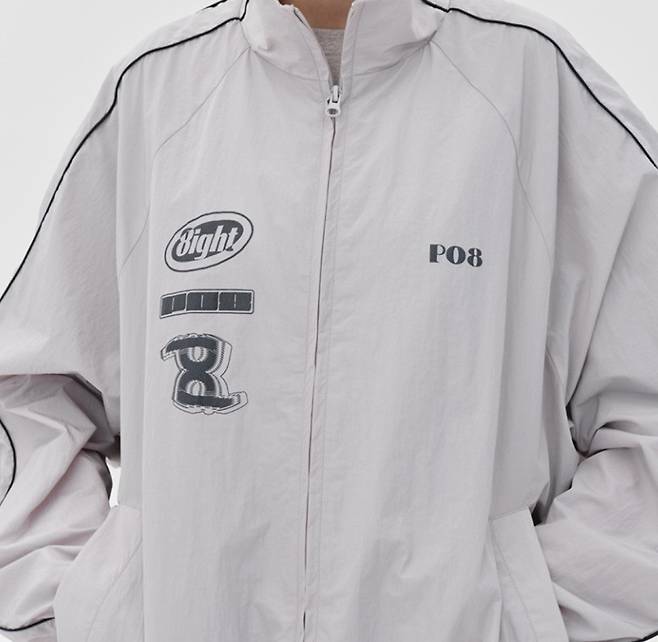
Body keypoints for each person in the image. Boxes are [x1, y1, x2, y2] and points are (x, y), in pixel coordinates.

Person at [0, 0, 657, 640]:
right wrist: (79, 611)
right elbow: (32, 392)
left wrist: (536, 617)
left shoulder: (531, 83)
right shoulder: (158, 92)